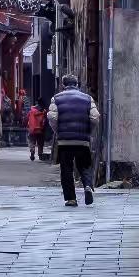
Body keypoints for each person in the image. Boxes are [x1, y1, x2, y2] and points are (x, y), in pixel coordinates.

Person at [48, 75, 100, 207]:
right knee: (85, 165)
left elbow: (52, 117)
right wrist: (88, 131)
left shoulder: (56, 98)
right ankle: (87, 186)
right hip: (82, 140)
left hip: (64, 141)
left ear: (63, 85)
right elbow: (95, 117)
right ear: (77, 84)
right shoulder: (88, 98)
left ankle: (71, 199)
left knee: (66, 169)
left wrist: (58, 131)